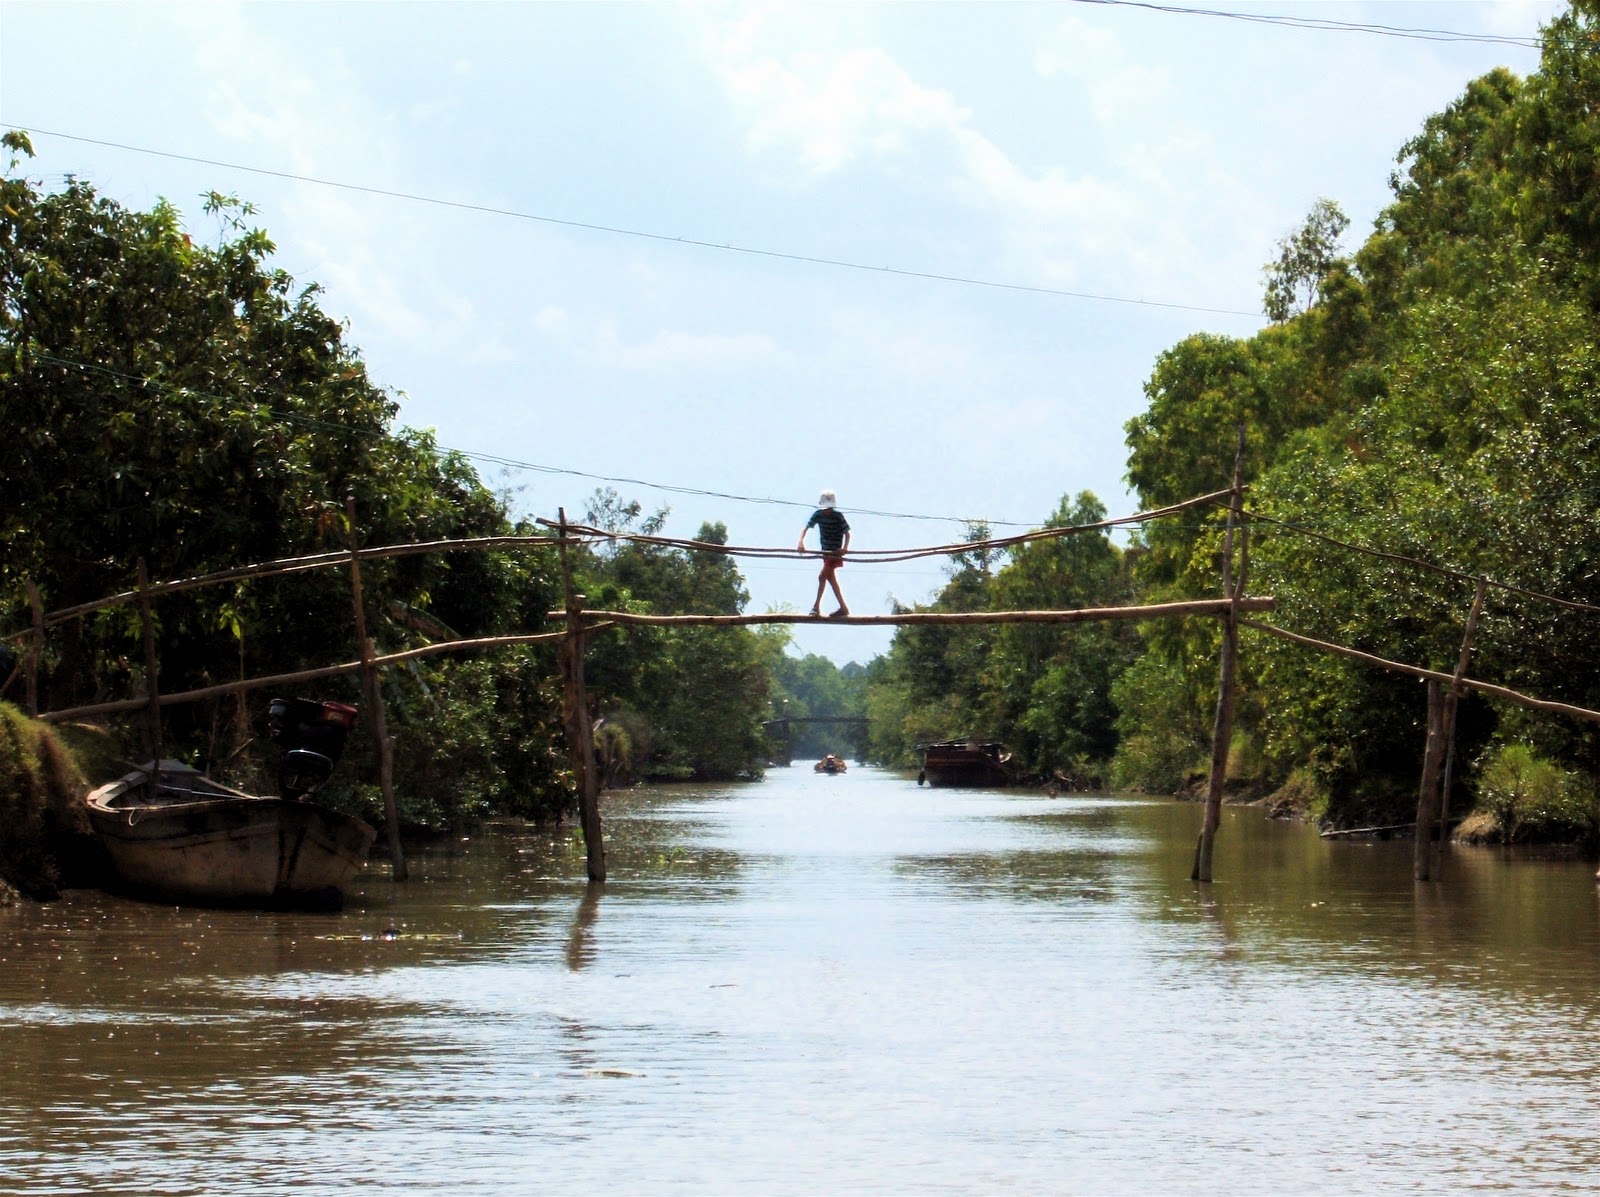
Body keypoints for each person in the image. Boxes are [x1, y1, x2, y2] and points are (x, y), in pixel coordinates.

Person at [798, 489, 851, 617]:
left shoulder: (838, 516)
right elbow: (806, 528)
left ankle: (816, 607)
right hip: (825, 552)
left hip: (835, 552)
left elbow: (847, 533)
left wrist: (844, 548)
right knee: (831, 579)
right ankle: (843, 608)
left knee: (822, 577)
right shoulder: (818, 515)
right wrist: (800, 542)